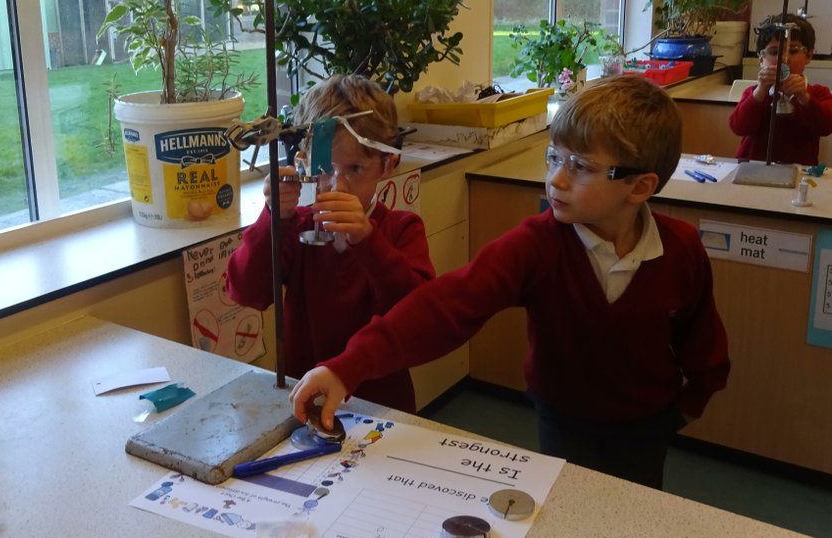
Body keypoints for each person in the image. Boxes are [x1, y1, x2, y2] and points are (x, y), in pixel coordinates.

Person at [290, 77, 730, 490]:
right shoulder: (536, 244)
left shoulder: (681, 247)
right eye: (553, 158)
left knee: (633, 513)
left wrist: (689, 405)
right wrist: (347, 367)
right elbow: (445, 306)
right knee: (564, 506)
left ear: (640, 186)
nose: (556, 179)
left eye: (579, 166)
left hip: (647, 421)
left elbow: (702, 335)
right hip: (562, 416)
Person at [224, 74, 434, 412]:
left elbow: (420, 318)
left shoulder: (402, 230)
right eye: (323, 169)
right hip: (304, 398)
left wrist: (367, 239)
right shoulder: (297, 228)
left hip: (381, 406)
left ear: (386, 164)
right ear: (304, 161)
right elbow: (246, 291)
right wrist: (273, 218)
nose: (337, 185)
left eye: (354, 168)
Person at [729, 13, 832, 164]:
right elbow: (738, 127)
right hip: (753, 167)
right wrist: (760, 92)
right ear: (761, 59)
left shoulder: (817, 93)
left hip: (798, 171)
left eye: (793, 51)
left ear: (808, 55)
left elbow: (827, 126)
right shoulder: (754, 92)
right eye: (774, 52)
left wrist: (804, 98)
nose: (784, 58)